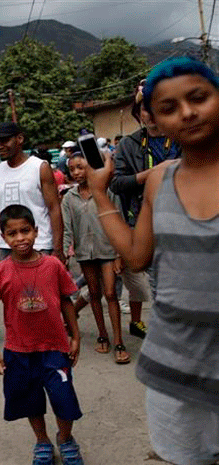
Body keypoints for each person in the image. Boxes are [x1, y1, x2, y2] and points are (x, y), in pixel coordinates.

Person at [88, 56, 219, 465]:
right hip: (173, 372)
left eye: (199, 97)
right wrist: (99, 194)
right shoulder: (160, 179)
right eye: (168, 108)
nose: (187, 112)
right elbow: (137, 256)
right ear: (156, 123)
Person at [0, 205, 84, 465]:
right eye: (12, 233)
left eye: (25, 231)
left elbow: (66, 301)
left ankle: (65, 438)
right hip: (18, 351)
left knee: (64, 399)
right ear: (3, 237)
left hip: (54, 349)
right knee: (30, 402)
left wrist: (75, 335)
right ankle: (42, 441)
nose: (20, 238)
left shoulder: (53, 266)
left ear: (36, 231)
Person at [110, 85, 181, 338]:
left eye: (154, 108)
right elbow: (117, 184)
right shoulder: (129, 145)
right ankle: (171, 340)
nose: (149, 115)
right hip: (146, 224)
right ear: (138, 113)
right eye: (143, 109)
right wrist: (150, 174)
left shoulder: (183, 137)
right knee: (160, 287)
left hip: (184, 220)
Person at [62, 155, 130, 364]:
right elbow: (66, 228)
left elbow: (119, 218)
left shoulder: (107, 190)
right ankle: (103, 334)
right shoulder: (69, 198)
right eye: (72, 169)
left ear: (90, 167)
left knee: (110, 293)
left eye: (80, 167)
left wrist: (120, 253)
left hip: (108, 249)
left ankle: (119, 341)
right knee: (93, 293)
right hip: (85, 253)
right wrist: (64, 253)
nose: (76, 173)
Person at [0, 122, 65, 263]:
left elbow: (54, 208)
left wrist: (58, 248)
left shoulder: (40, 167)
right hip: (7, 246)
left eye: (4, 141)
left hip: (39, 244)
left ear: (20, 139)